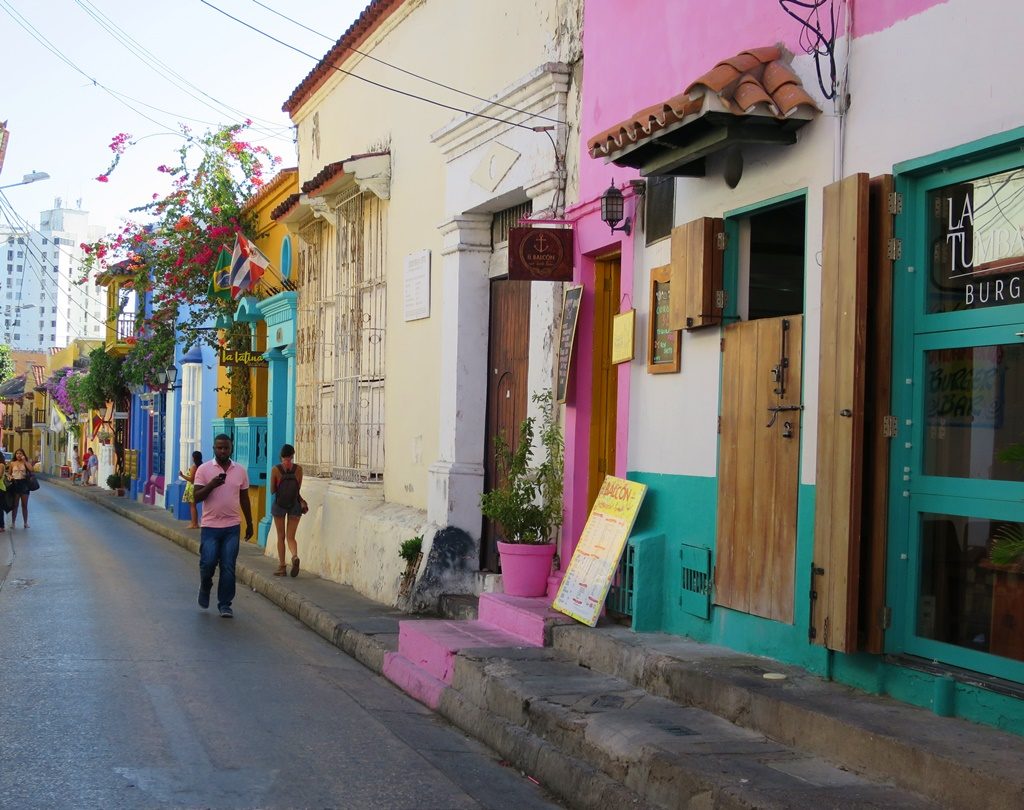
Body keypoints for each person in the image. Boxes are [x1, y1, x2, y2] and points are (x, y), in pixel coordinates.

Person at [192, 434, 253, 618]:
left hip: (232, 527)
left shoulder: (240, 471)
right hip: (210, 527)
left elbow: (244, 498)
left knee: (228, 566)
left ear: (231, 449)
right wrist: (211, 485)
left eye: (226, 448)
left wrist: (249, 523)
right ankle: (205, 585)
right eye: (219, 448)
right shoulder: (204, 470)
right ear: (213, 448)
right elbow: (196, 497)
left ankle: (225, 603)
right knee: (208, 563)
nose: (223, 451)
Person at [269, 444, 307, 577]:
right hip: (295, 505)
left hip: (279, 505)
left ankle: (282, 567)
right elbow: (298, 489)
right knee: (291, 537)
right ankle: (295, 556)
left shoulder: (275, 469)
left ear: (281, 455)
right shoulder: (299, 470)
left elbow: (272, 490)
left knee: (281, 536)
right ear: (293, 455)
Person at [8, 448, 33, 528]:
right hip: (15, 484)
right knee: (15, 505)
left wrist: (25, 461)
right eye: (17, 453)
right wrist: (10, 477)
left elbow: (31, 470)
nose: (18, 455)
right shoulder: (12, 463)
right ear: (15, 455)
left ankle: (25, 523)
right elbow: (9, 474)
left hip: (24, 484)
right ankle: (13, 523)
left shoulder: (25, 462)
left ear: (23, 455)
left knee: (24, 505)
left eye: (20, 453)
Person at [179, 450, 203, 529]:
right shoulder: (201, 466)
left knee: (192, 506)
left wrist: (182, 476)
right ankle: (194, 523)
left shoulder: (194, 467)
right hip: (195, 486)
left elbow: (192, 479)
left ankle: (194, 523)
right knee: (193, 505)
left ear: (193, 458)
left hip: (191, 487)